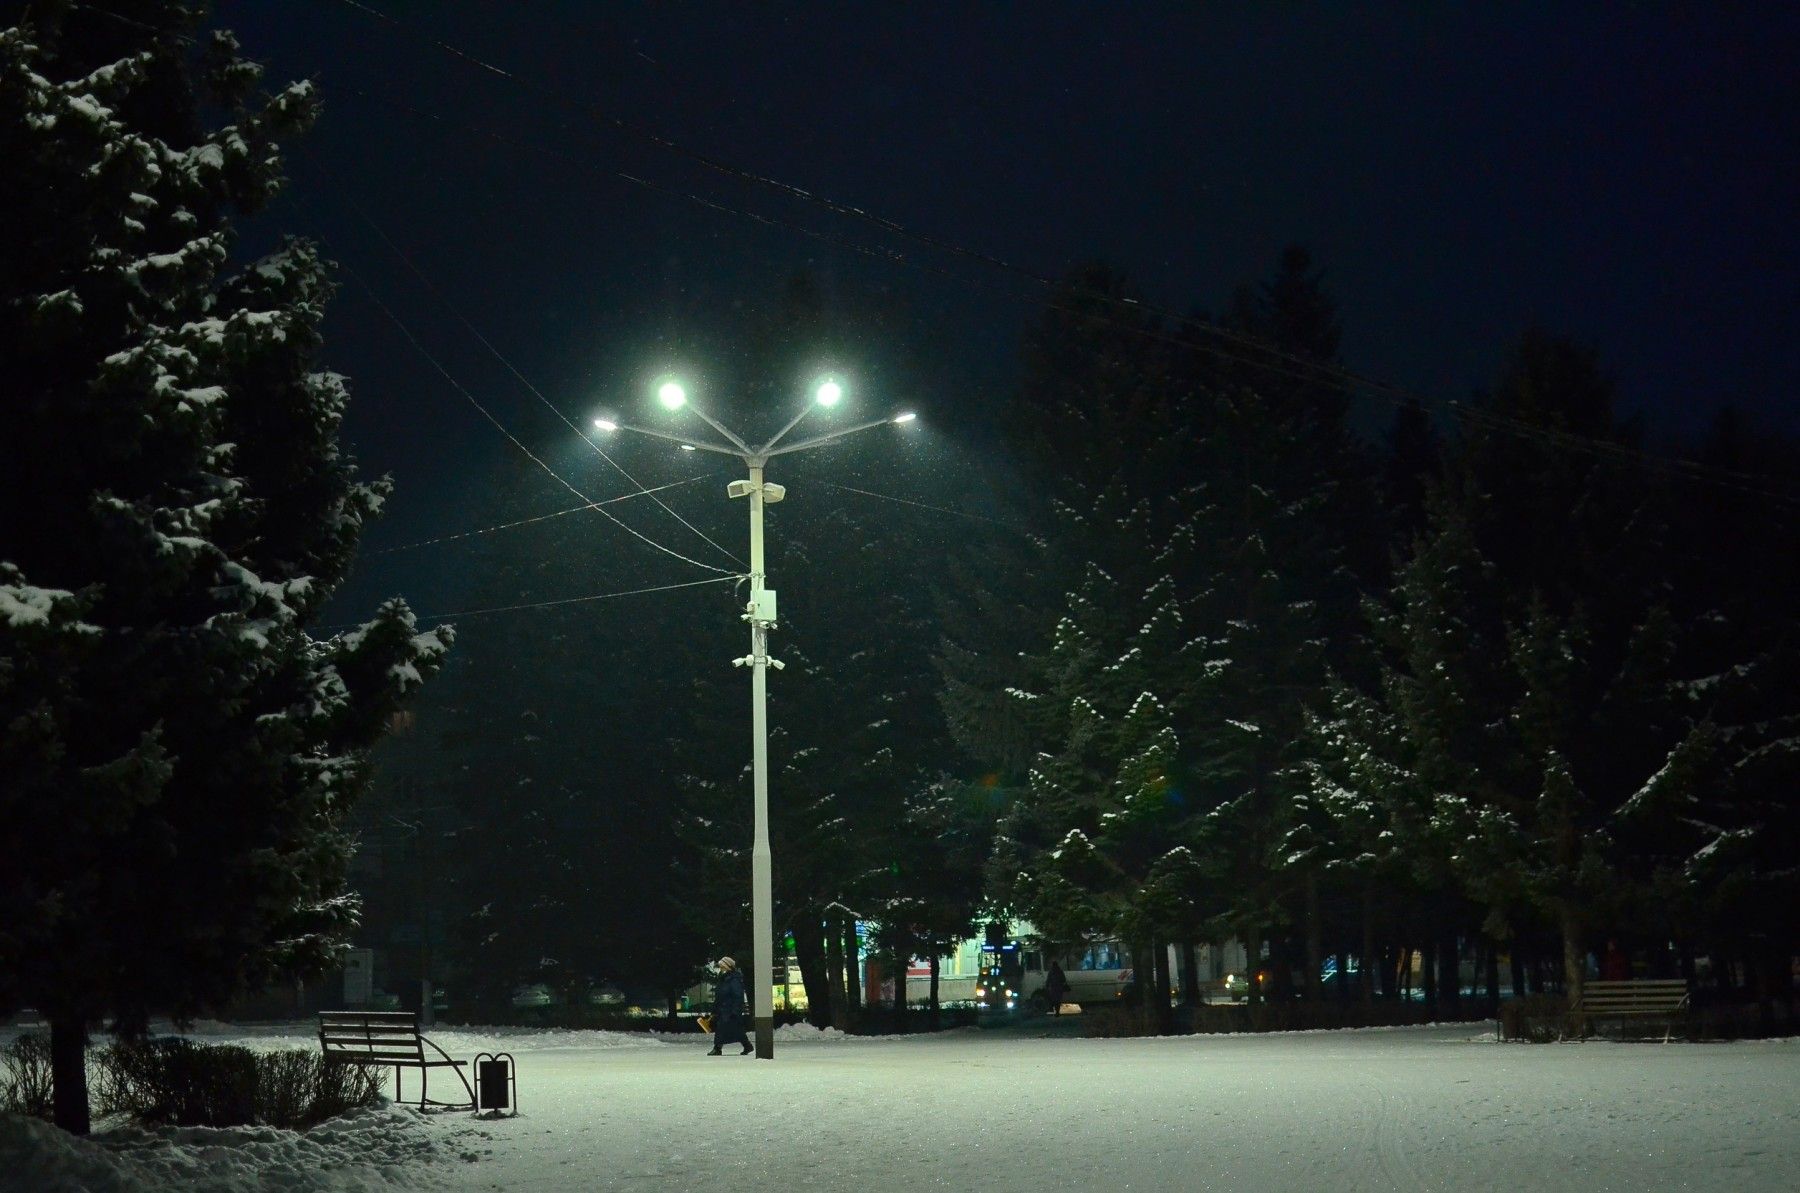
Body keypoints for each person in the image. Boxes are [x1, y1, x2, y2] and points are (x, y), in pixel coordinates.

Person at [708, 956, 752, 1056]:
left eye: (722, 967)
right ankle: (747, 1045)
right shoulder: (725, 979)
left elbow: (738, 996)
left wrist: (735, 1011)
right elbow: (719, 996)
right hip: (724, 1009)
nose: (721, 969)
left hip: (729, 1009)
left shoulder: (734, 979)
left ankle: (717, 1048)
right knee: (736, 1030)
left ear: (728, 967)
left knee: (722, 1029)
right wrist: (715, 1009)